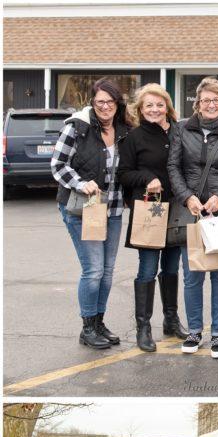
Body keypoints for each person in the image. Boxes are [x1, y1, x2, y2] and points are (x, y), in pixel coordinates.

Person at [167, 77, 218, 358]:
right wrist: (187, 197)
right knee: (192, 276)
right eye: (206, 100)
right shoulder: (181, 130)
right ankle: (194, 331)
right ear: (197, 104)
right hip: (191, 212)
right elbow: (173, 167)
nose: (211, 104)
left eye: (217, 100)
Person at [51, 77, 131, 349]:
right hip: (82, 208)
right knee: (93, 269)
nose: (105, 107)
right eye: (99, 102)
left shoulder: (124, 129)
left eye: (109, 102)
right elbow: (58, 165)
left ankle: (98, 322)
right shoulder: (77, 128)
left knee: (107, 271)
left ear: (117, 103)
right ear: (92, 103)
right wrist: (80, 183)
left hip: (114, 208)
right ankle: (87, 327)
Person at [118, 83, 187, 352]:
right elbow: (124, 173)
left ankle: (171, 320)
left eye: (159, 105)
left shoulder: (180, 132)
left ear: (167, 106)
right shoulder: (134, 138)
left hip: (177, 209)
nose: (154, 109)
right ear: (140, 109)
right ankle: (143, 327)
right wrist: (148, 178)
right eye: (149, 105)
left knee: (172, 268)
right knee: (147, 269)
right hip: (149, 210)